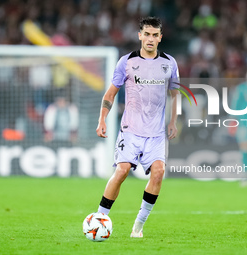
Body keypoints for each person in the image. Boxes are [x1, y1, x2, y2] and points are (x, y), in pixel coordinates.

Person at [95, 17, 179, 238]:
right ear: (140, 35)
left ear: (160, 37)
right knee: (121, 171)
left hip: (156, 134)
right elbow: (110, 94)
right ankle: (100, 218)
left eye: (155, 35)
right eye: (147, 34)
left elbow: (175, 93)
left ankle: (138, 226)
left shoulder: (169, 63)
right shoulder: (127, 61)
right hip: (131, 130)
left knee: (159, 172)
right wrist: (102, 119)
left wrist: (172, 121)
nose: (150, 39)